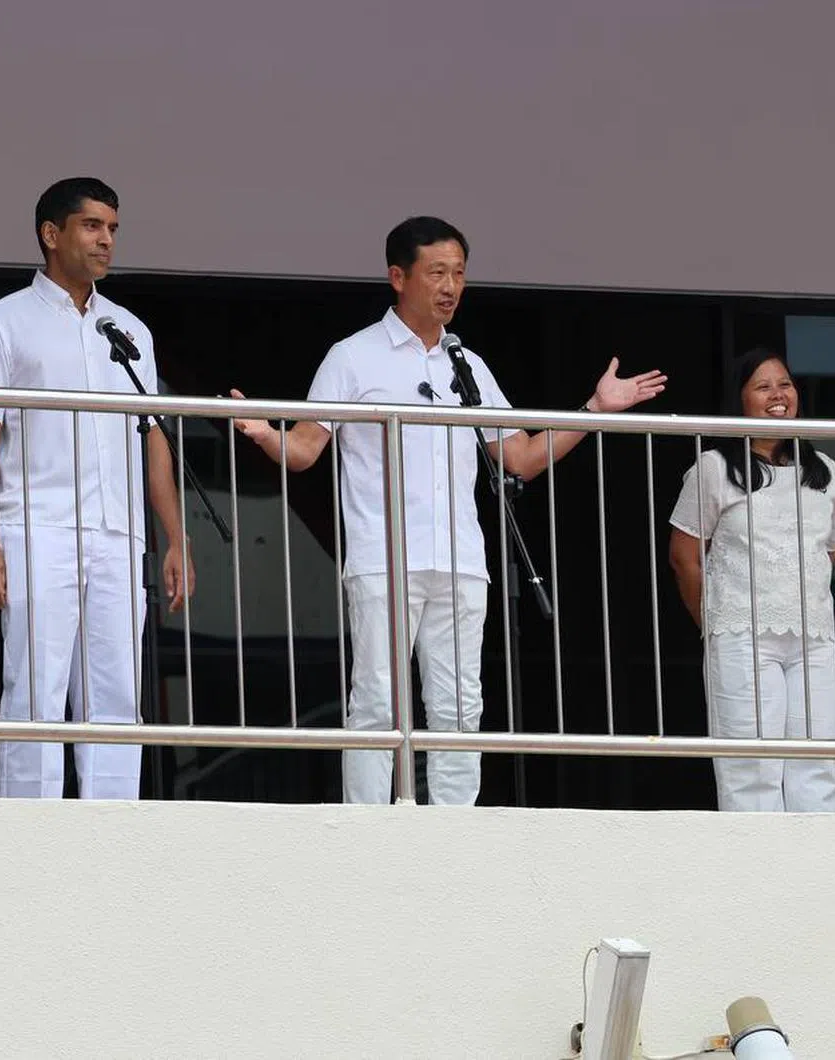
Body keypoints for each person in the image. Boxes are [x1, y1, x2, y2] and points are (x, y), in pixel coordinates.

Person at [232, 216, 666, 804]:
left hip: (462, 561)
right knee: (379, 700)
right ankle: (367, 825)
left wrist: (594, 408)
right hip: (384, 556)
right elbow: (308, 447)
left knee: (460, 704)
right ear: (397, 276)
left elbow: (522, 456)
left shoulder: (467, 365)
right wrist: (265, 436)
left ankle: (451, 832)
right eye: (437, 272)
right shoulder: (353, 356)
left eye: (459, 273)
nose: (451, 286)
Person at [0, 177, 195, 799]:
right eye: (92, 226)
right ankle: (27, 836)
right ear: (51, 234)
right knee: (34, 689)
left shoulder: (129, 331)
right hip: (35, 527)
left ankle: (110, 840)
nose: (106, 240)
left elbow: (153, 434)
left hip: (119, 532)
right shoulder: (2, 322)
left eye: (113, 229)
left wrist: (174, 536)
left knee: (118, 695)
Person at [669, 348, 835, 812]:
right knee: (752, 768)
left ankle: (813, 875)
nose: (778, 395)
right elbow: (685, 558)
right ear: (740, 400)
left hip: (813, 636)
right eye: (763, 387)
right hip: (741, 635)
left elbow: (830, 549)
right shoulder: (713, 468)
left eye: (785, 384)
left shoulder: (825, 470)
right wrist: (715, 617)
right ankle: (758, 880)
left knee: (818, 763)